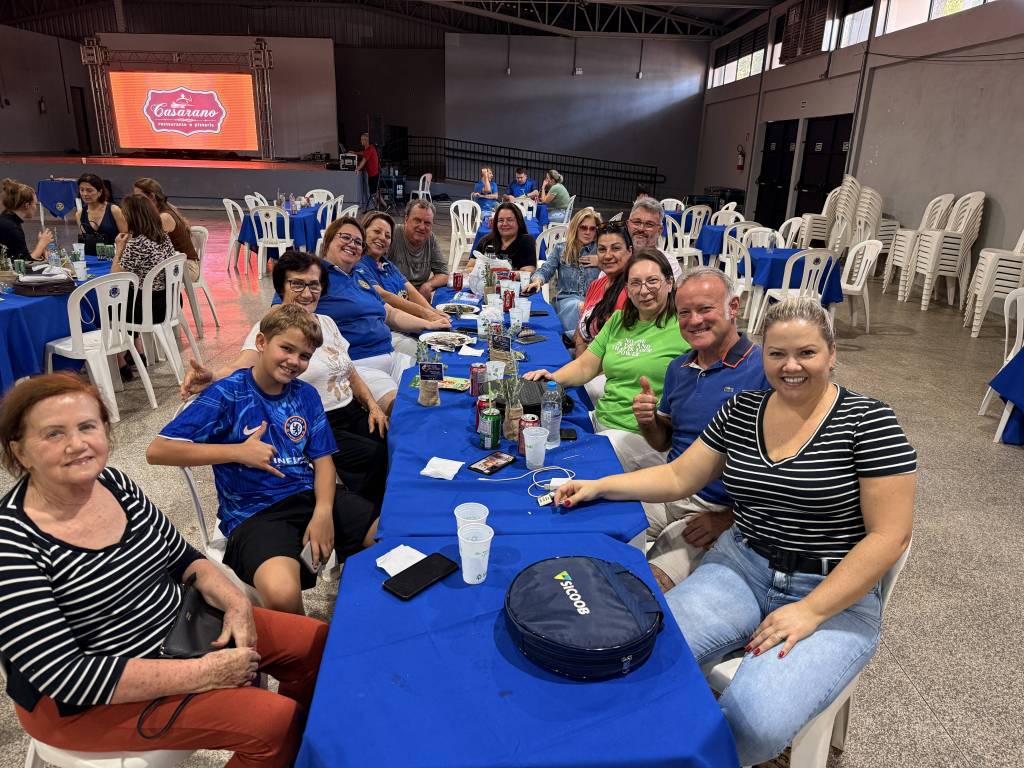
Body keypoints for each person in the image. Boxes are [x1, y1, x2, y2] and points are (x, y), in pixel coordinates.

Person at [555, 297, 917, 766]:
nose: (790, 366)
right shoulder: (743, 411)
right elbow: (679, 477)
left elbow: (890, 536)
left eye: (806, 353)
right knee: (640, 659)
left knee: (754, 724)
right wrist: (600, 486)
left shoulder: (870, 422)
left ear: (832, 353)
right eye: (777, 353)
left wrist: (810, 610)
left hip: (832, 592)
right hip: (741, 566)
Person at [0, 372, 327, 766]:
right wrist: (205, 673)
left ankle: (296, 751)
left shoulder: (114, 483)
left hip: (178, 633)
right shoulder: (12, 542)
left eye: (87, 426)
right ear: (20, 451)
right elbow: (65, 675)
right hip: (86, 700)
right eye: (53, 434)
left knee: (316, 645)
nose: (77, 444)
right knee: (274, 724)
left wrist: (237, 604)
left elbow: (183, 558)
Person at [149, 304, 379, 616]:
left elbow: (324, 461)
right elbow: (158, 450)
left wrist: (323, 512)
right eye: (286, 348)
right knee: (281, 593)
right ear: (261, 343)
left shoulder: (306, 395)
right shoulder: (227, 394)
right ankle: (304, 643)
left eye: (304, 356)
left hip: (308, 495)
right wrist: (236, 451)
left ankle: (368, 620)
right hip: (253, 512)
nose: (294, 361)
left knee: (385, 536)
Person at [182, 250, 389, 508]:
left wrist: (372, 405)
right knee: (373, 455)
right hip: (316, 421)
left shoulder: (326, 322)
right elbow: (242, 364)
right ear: (282, 287)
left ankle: (382, 508)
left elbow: (350, 372)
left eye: (314, 285)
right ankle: (366, 514)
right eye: (297, 284)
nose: (307, 293)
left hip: (351, 411)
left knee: (392, 439)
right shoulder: (272, 327)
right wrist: (212, 376)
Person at [633, 267, 769, 592]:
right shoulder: (679, 368)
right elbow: (664, 441)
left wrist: (729, 519)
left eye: (705, 309)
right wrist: (649, 421)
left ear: (733, 307)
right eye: (684, 312)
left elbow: (785, 469)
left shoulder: (763, 369)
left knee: (650, 586)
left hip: (716, 508)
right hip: (669, 489)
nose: (694, 321)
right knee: (601, 528)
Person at [525, 249, 688, 471]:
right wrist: (553, 378)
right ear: (627, 288)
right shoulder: (619, 320)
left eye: (652, 281)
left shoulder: (684, 328)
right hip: (602, 420)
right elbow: (585, 366)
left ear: (669, 283)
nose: (644, 290)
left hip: (643, 437)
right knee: (539, 433)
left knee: (561, 462)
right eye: (635, 283)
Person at [315, 215, 449, 413]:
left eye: (358, 242)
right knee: (403, 410)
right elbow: (282, 312)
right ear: (328, 241)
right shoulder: (315, 274)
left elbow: (390, 313)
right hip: (360, 364)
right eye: (345, 237)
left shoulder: (358, 276)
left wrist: (430, 324)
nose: (352, 244)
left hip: (393, 357)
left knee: (437, 388)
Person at [358, 211, 450, 357]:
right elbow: (383, 295)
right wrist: (426, 315)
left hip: (410, 324)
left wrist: (432, 311)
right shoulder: (359, 265)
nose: (382, 238)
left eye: (387, 236)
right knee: (433, 356)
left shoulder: (386, 264)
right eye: (377, 231)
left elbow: (411, 291)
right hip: (391, 331)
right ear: (363, 233)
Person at [112, 194, 176, 380]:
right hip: (168, 301)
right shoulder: (163, 237)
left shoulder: (136, 243)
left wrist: (119, 249)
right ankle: (136, 350)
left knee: (110, 306)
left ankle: (118, 359)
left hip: (150, 309)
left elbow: (115, 274)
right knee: (127, 299)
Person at [525, 207, 602, 334]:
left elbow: (621, 268)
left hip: (594, 302)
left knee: (589, 309)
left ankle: (572, 338)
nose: (588, 232)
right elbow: (546, 270)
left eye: (592, 229)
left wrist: (601, 261)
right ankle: (576, 338)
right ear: (575, 228)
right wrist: (537, 281)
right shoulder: (561, 249)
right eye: (583, 228)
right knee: (579, 306)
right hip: (567, 300)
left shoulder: (602, 251)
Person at [575, 222, 632, 358]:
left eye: (616, 248)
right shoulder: (596, 285)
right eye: (602, 249)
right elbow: (580, 334)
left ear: (630, 251)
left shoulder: (631, 293)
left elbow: (617, 350)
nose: (607, 255)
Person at [132, 177, 200, 283]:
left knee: (140, 274)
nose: (135, 201)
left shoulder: (164, 217)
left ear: (152, 197)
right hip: (174, 263)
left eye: (138, 197)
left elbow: (146, 244)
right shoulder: (160, 212)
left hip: (186, 267)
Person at [387, 200, 449, 301]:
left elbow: (443, 274)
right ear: (406, 219)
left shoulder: (430, 239)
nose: (422, 227)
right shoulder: (391, 235)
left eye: (427, 223)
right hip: (393, 297)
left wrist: (428, 285)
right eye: (417, 220)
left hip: (419, 297)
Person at [472, 202, 537, 273]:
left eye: (510, 220)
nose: (505, 224)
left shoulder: (526, 241)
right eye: (501, 220)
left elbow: (528, 272)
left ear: (519, 222)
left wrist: (492, 272)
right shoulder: (486, 241)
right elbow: (469, 267)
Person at [628, 196, 682, 279]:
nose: (641, 228)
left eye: (649, 224)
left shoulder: (669, 264)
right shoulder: (617, 258)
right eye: (637, 222)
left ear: (660, 230)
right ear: (628, 224)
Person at [0, 178, 52, 261]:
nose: (36, 208)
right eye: (35, 204)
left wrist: (40, 250)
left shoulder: (7, 220)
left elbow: (17, 254)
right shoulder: (12, 228)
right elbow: (23, 262)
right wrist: (42, 244)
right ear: (27, 205)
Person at [75, 173, 126, 255]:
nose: (85, 194)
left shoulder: (114, 210)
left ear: (100, 192)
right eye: (82, 190)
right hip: (91, 257)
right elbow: (85, 240)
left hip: (115, 257)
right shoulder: (79, 214)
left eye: (89, 190)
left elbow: (126, 236)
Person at [354, 133, 380, 209]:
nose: (361, 141)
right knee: (374, 192)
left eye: (362, 139)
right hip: (371, 174)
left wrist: (357, 169)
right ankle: (379, 206)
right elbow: (363, 153)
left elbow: (364, 160)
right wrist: (355, 153)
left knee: (374, 193)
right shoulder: (369, 148)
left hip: (374, 174)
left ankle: (380, 206)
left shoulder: (370, 149)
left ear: (366, 140)